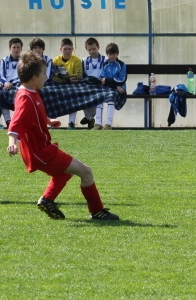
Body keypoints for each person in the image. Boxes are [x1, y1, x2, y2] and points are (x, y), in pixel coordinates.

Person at [6, 53, 119, 221]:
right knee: (86, 172)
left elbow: (33, 114)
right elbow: (16, 121)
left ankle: (47, 200)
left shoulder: (29, 91)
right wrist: (12, 142)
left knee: (65, 173)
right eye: (44, 73)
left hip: (41, 149)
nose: (47, 76)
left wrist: (48, 121)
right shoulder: (25, 97)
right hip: (40, 151)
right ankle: (97, 211)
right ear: (34, 77)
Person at [51, 38, 83, 129]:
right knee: (53, 96)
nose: (67, 51)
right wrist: (67, 80)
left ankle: (71, 123)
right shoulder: (56, 60)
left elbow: (78, 76)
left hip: (73, 86)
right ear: (60, 49)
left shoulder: (76, 60)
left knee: (74, 96)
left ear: (73, 49)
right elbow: (52, 76)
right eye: (65, 49)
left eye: (69, 49)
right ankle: (53, 122)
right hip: (59, 85)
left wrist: (60, 75)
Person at [96, 42, 127, 130]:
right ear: (107, 54)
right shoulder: (105, 64)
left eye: (114, 54)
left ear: (117, 54)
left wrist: (108, 81)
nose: (112, 56)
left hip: (120, 88)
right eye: (110, 54)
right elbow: (102, 79)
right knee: (99, 97)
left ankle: (108, 124)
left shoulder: (122, 65)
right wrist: (114, 85)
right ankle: (97, 124)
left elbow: (122, 79)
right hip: (111, 87)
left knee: (111, 96)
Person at [0, 38, 23, 129]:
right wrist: (6, 82)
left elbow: (22, 75)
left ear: (21, 49)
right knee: (0, 94)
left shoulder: (24, 61)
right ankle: (8, 121)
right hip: (6, 85)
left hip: (19, 85)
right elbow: (1, 75)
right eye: (14, 47)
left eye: (18, 47)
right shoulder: (4, 60)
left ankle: (19, 121)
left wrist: (12, 83)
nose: (16, 49)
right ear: (10, 49)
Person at [81, 37, 105, 130]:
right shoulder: (84, 60)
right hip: (88, 85)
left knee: (97, 96)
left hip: (101, 85)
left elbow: (107, 74)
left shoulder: (105, 59)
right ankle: (90, 118)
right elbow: (82, 75)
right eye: (89, 49)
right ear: (86, 49)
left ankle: (89, 117)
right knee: (80, 94)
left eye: (94, 48)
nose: (92, 51)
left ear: (98, 47)